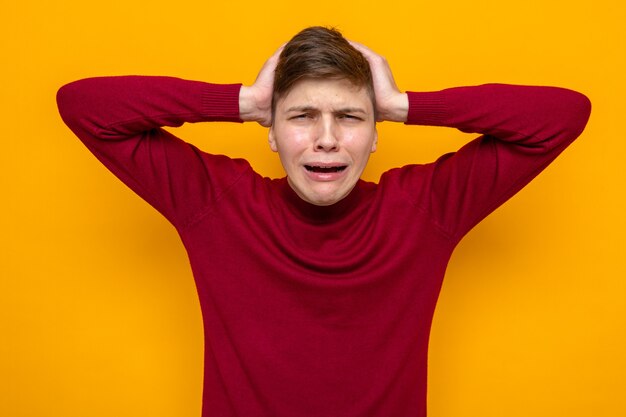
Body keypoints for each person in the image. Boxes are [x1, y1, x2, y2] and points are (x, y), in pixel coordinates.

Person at [57, 26, 591, 417]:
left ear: (378, 132)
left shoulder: (424, 210)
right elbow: (82, 105)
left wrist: (404, 104)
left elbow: (563, 116)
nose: (328, 138)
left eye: (351, 116)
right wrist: (244, 100)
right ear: (268, 129)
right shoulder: (217, 205)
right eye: (302, 115)